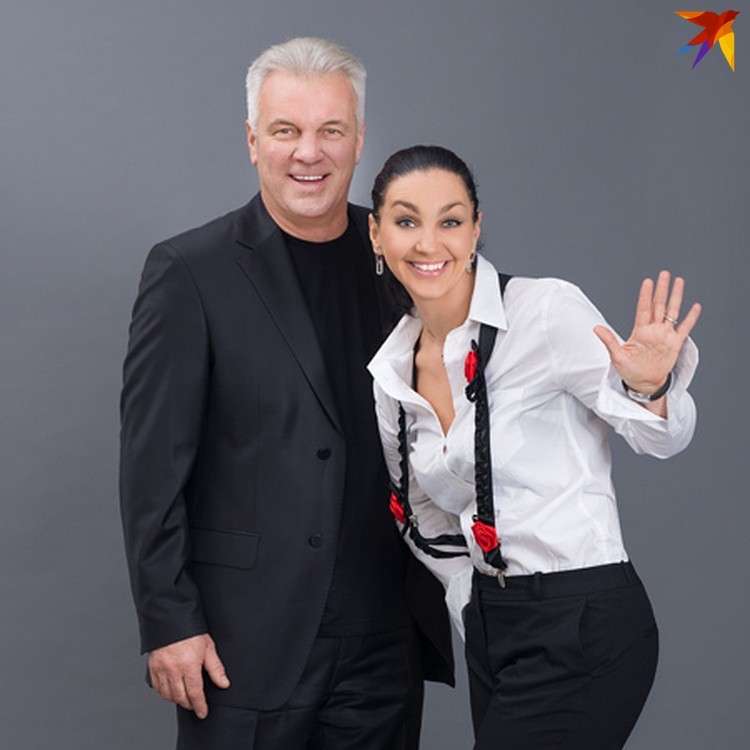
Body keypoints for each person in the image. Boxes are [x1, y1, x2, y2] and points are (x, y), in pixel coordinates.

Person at [119, 39, 454, 750]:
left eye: (331, 130)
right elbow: (152, 470)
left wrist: (644, 384)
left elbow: (501, 343)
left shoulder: (406, 256)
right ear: (252, 142)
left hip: (385, 638)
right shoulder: (189, 271)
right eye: (285, 130)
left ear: (359, 140)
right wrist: (168, 620)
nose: (309, 152)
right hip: (243, 640)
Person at [366, 144, 701, 749]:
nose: (428, 243)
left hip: (583, 620)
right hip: (494, 629)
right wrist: (469, 597)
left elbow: (658, 437)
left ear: (476, 229)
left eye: (450, 220)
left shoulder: (543, 311)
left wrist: (648, 386)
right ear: (376, 234)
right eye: (406, 220)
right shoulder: (392, 372)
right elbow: (421, 513)